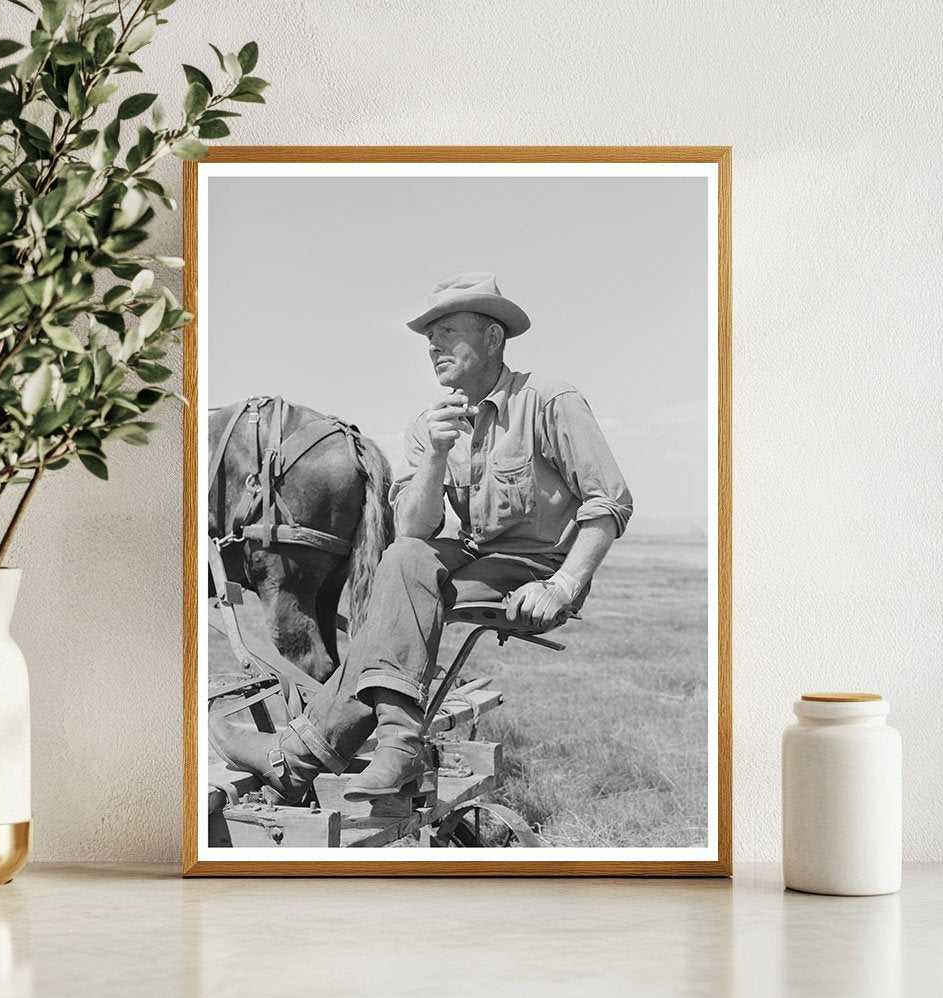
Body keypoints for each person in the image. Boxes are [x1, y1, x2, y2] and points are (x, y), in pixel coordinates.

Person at [209, 272, 633, 804]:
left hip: (537, 569)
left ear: (493, 339)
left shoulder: (548, 400)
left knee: (397, 604)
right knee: (405, 559)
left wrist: (564, 586)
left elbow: (609, 502)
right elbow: (414, 528)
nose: (433, 345)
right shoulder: (428, 425)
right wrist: (434, 455)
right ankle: (396, 748)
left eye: (448, 330)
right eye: (429, 335)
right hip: (476, 558)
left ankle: (300, 757)